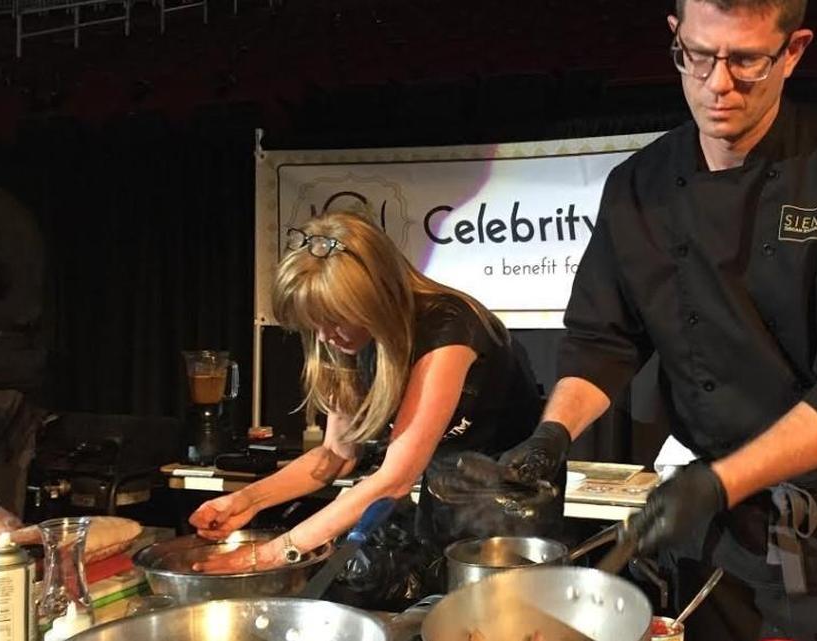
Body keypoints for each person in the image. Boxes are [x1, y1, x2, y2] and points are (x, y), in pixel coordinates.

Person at [496, 0, 817, 639]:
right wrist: (553, 435)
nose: (717, 84)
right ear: (676, 37)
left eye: (746, 61)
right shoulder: (639, 186)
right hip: (719, 533)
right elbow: (604, 339)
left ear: (793, 52)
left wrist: (715, 483)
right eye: (699, 56)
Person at [189, 211, 553, 573]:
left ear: (375, 299)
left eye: (333, 321)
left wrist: (270, 554)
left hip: (511, 493)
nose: (322, 337)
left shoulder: (449, 329)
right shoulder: (348, 340)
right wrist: (249, 500)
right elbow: (335, 454)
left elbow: (395, 478)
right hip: (439, 488)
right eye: (313, 324)